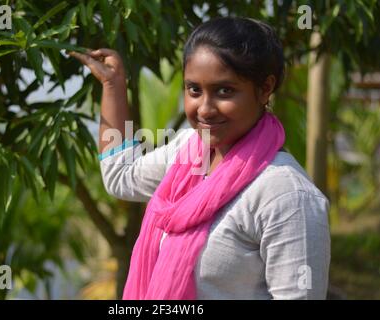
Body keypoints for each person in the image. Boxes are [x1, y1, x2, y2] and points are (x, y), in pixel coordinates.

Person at [69, 17, 330, 300]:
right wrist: (113, 86)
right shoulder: (190, 152)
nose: (204, 109)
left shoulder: (285, 195)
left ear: (265, 88)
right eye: (194, 90)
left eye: (224, 91)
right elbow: (121, 176)